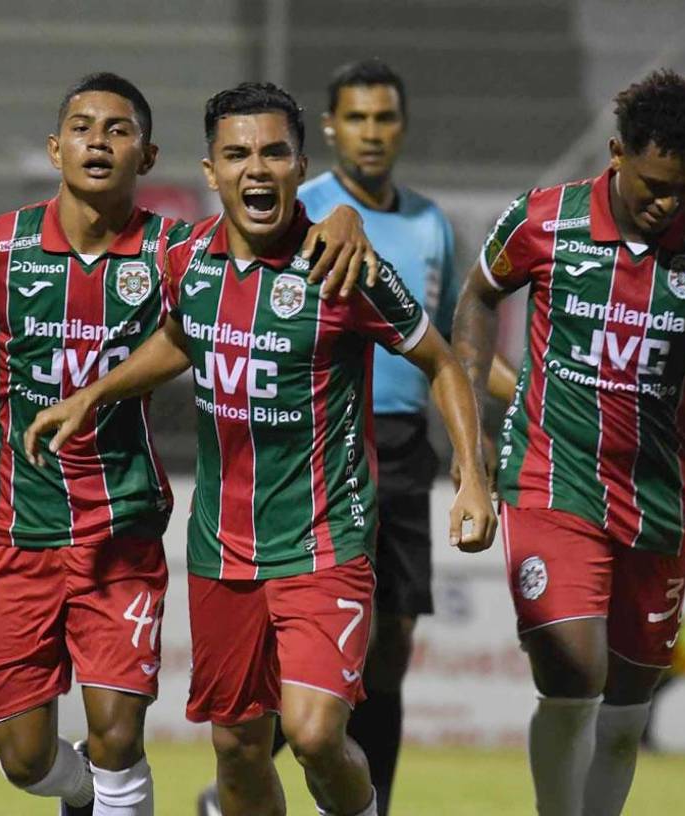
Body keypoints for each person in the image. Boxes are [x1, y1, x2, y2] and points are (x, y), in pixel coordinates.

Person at [0, 72, 375, 816]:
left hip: (121, 528)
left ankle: (109, 788)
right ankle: (77, 793)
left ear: (147, 156)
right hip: (11, 529)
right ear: (56, 149)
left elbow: (266, 230)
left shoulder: (175, 253)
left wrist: (344, 218)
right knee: (24, 760)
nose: (98, 142)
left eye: (119, 130)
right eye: (83, 128)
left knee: (117, 736)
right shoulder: (1, 248)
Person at [25, 81, 497, 816]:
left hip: (325, 542)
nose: (256, 169)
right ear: (210, 170)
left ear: (300, 166)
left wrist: (471, 476)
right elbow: (179, 338)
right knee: (239, 751)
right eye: (237, 154)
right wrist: (95, 394)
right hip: (221, 550)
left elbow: (440, 362)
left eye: (275, 153)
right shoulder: (187, 260)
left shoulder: (343, 266)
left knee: (313, 734)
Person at [451, 69, 685, 816]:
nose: (669, 203)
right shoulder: (543, 220)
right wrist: (471, 443)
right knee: (575, 672)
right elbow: (476, 298)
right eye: (656, 185)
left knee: (628, 716)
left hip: (655, 498)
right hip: (548, 477)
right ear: (616, 154)